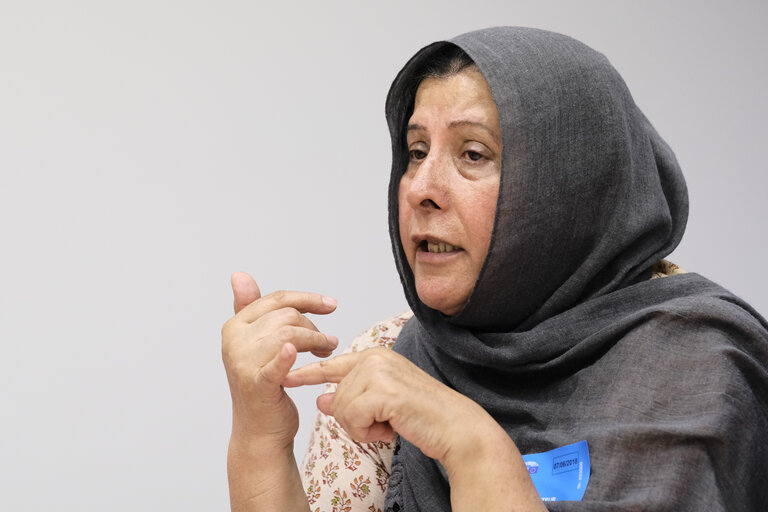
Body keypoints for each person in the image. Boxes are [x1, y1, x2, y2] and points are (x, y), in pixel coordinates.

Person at [221, 27, 768, 511]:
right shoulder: (391, 358)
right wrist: (260, 437)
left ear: (571, 186)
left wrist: (471, 445)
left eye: (473, 154)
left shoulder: (698, 366)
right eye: (415, 151)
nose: (421, 190)